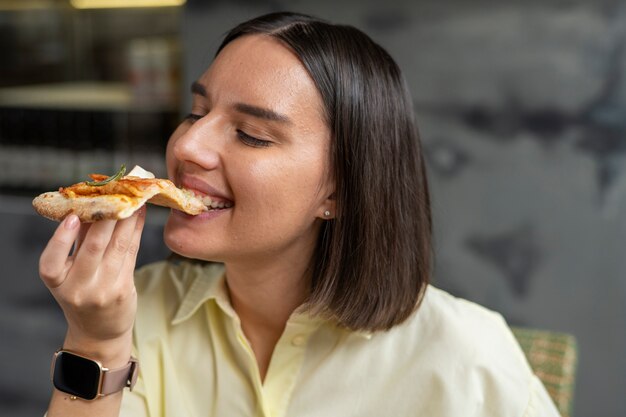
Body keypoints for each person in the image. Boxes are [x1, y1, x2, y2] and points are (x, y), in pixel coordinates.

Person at [39, 12, 561, 417]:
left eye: (252, 135)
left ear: (339, 190)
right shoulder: (137, 312)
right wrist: (96, 342)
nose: (189, 144)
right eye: (196, 113)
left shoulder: (464, 354)